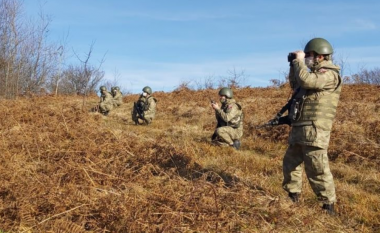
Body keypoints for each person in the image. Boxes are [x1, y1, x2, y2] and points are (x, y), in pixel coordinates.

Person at [278, 38, 342, 215]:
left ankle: (328, 207)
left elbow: (307, 81)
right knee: (290, 164)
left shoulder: (329, 74)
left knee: (317, 168)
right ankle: (293, 197)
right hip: (300, 128)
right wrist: (293, 65)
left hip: (315, 130)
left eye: (308, 55)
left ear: (320, 56)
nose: (305, 58)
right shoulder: (313, 74)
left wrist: (299, 61)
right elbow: (296, 84)